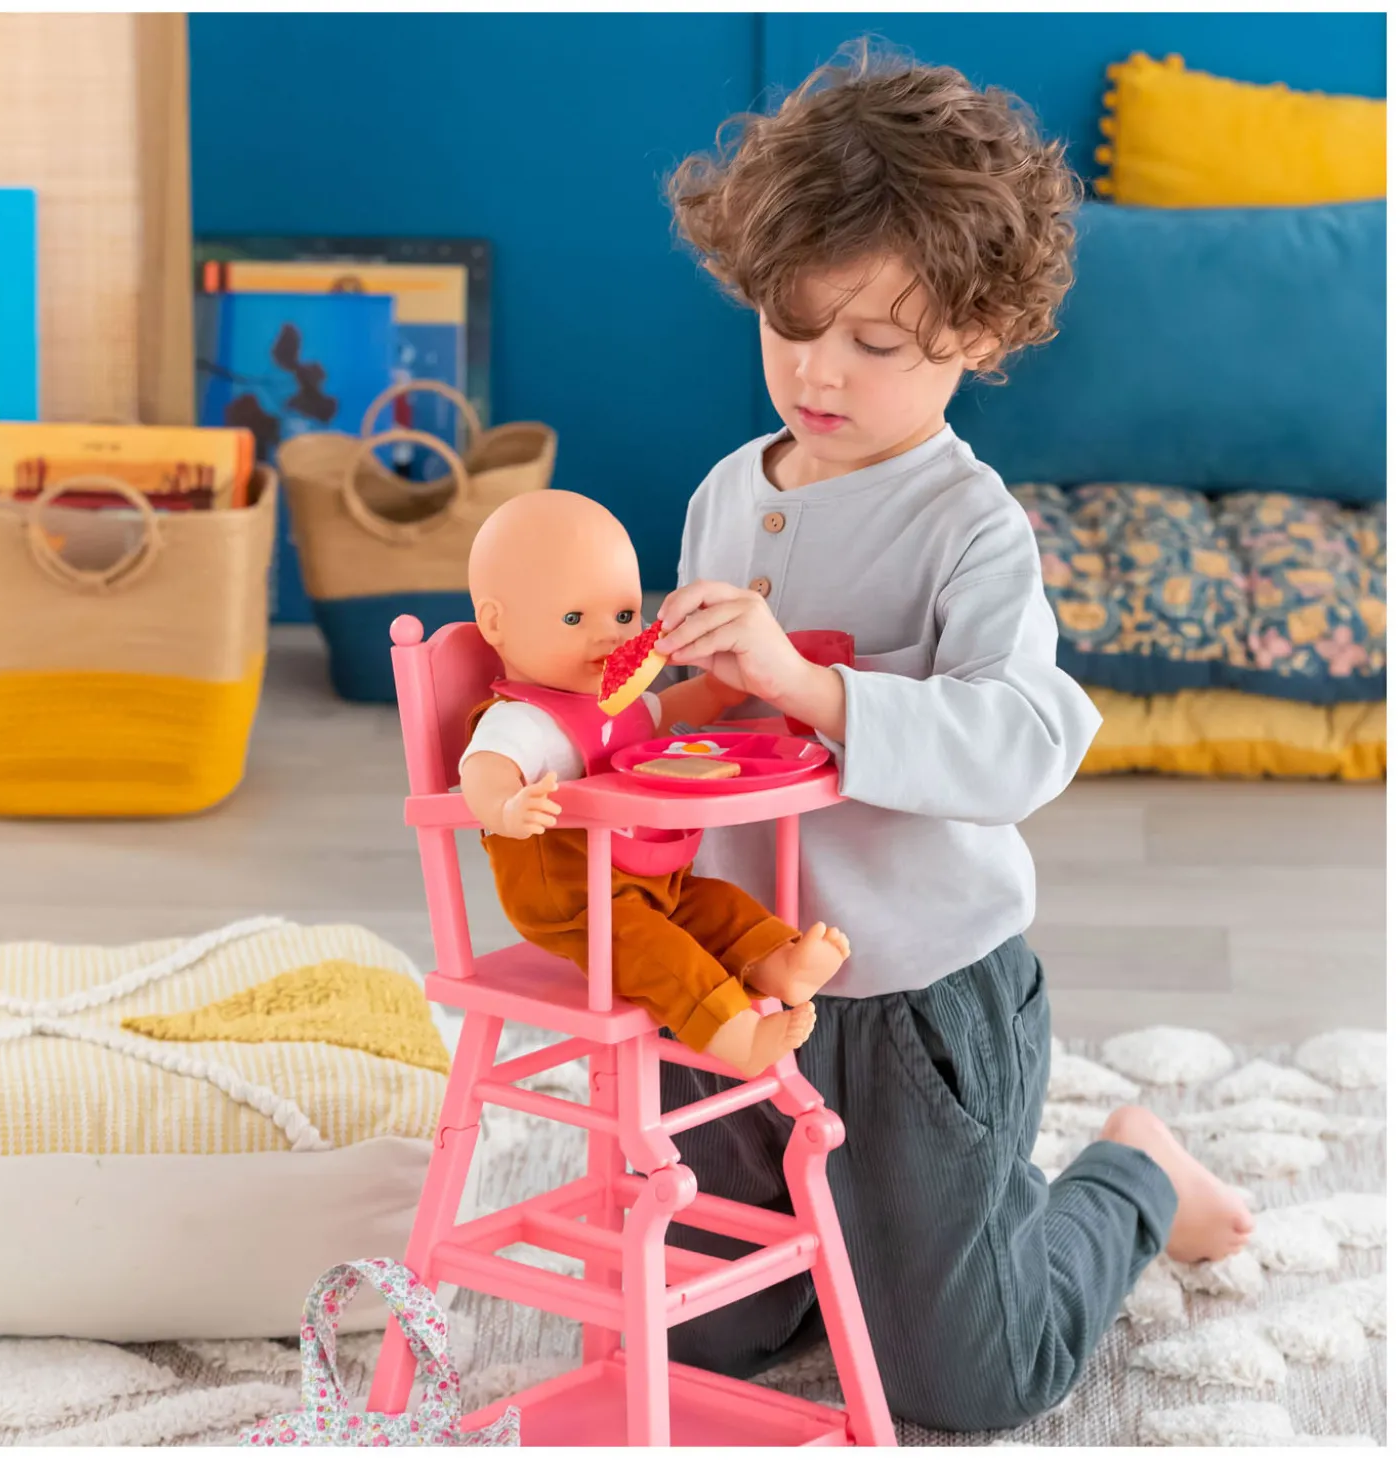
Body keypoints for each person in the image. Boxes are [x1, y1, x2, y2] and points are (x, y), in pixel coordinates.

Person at [651, 40, 1254, 1430]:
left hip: (912, 1000)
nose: (818, 371)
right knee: (703, 1333)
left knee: (968, 1378)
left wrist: (809, 687)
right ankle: (840, 1245)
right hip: (737, 986)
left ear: (976, 335)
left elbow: (1023, 737)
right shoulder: (727, 493)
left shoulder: (967, 526)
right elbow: (708, 723)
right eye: (790, 322)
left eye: (874, 343)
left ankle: (1133, 1171)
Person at [457, 489, 850, 1077]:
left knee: (719, 904)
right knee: (652, 948)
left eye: (624, 616)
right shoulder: (521, 720)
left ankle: (780, 965)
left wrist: (718, 690)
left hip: (654, 878)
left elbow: (668, 711)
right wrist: (507, 808)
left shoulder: (620, 702)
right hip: (577, 903)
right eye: (574, 618)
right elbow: (482, 770)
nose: (610, 637)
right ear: (496, 624)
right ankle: (736, 1036)